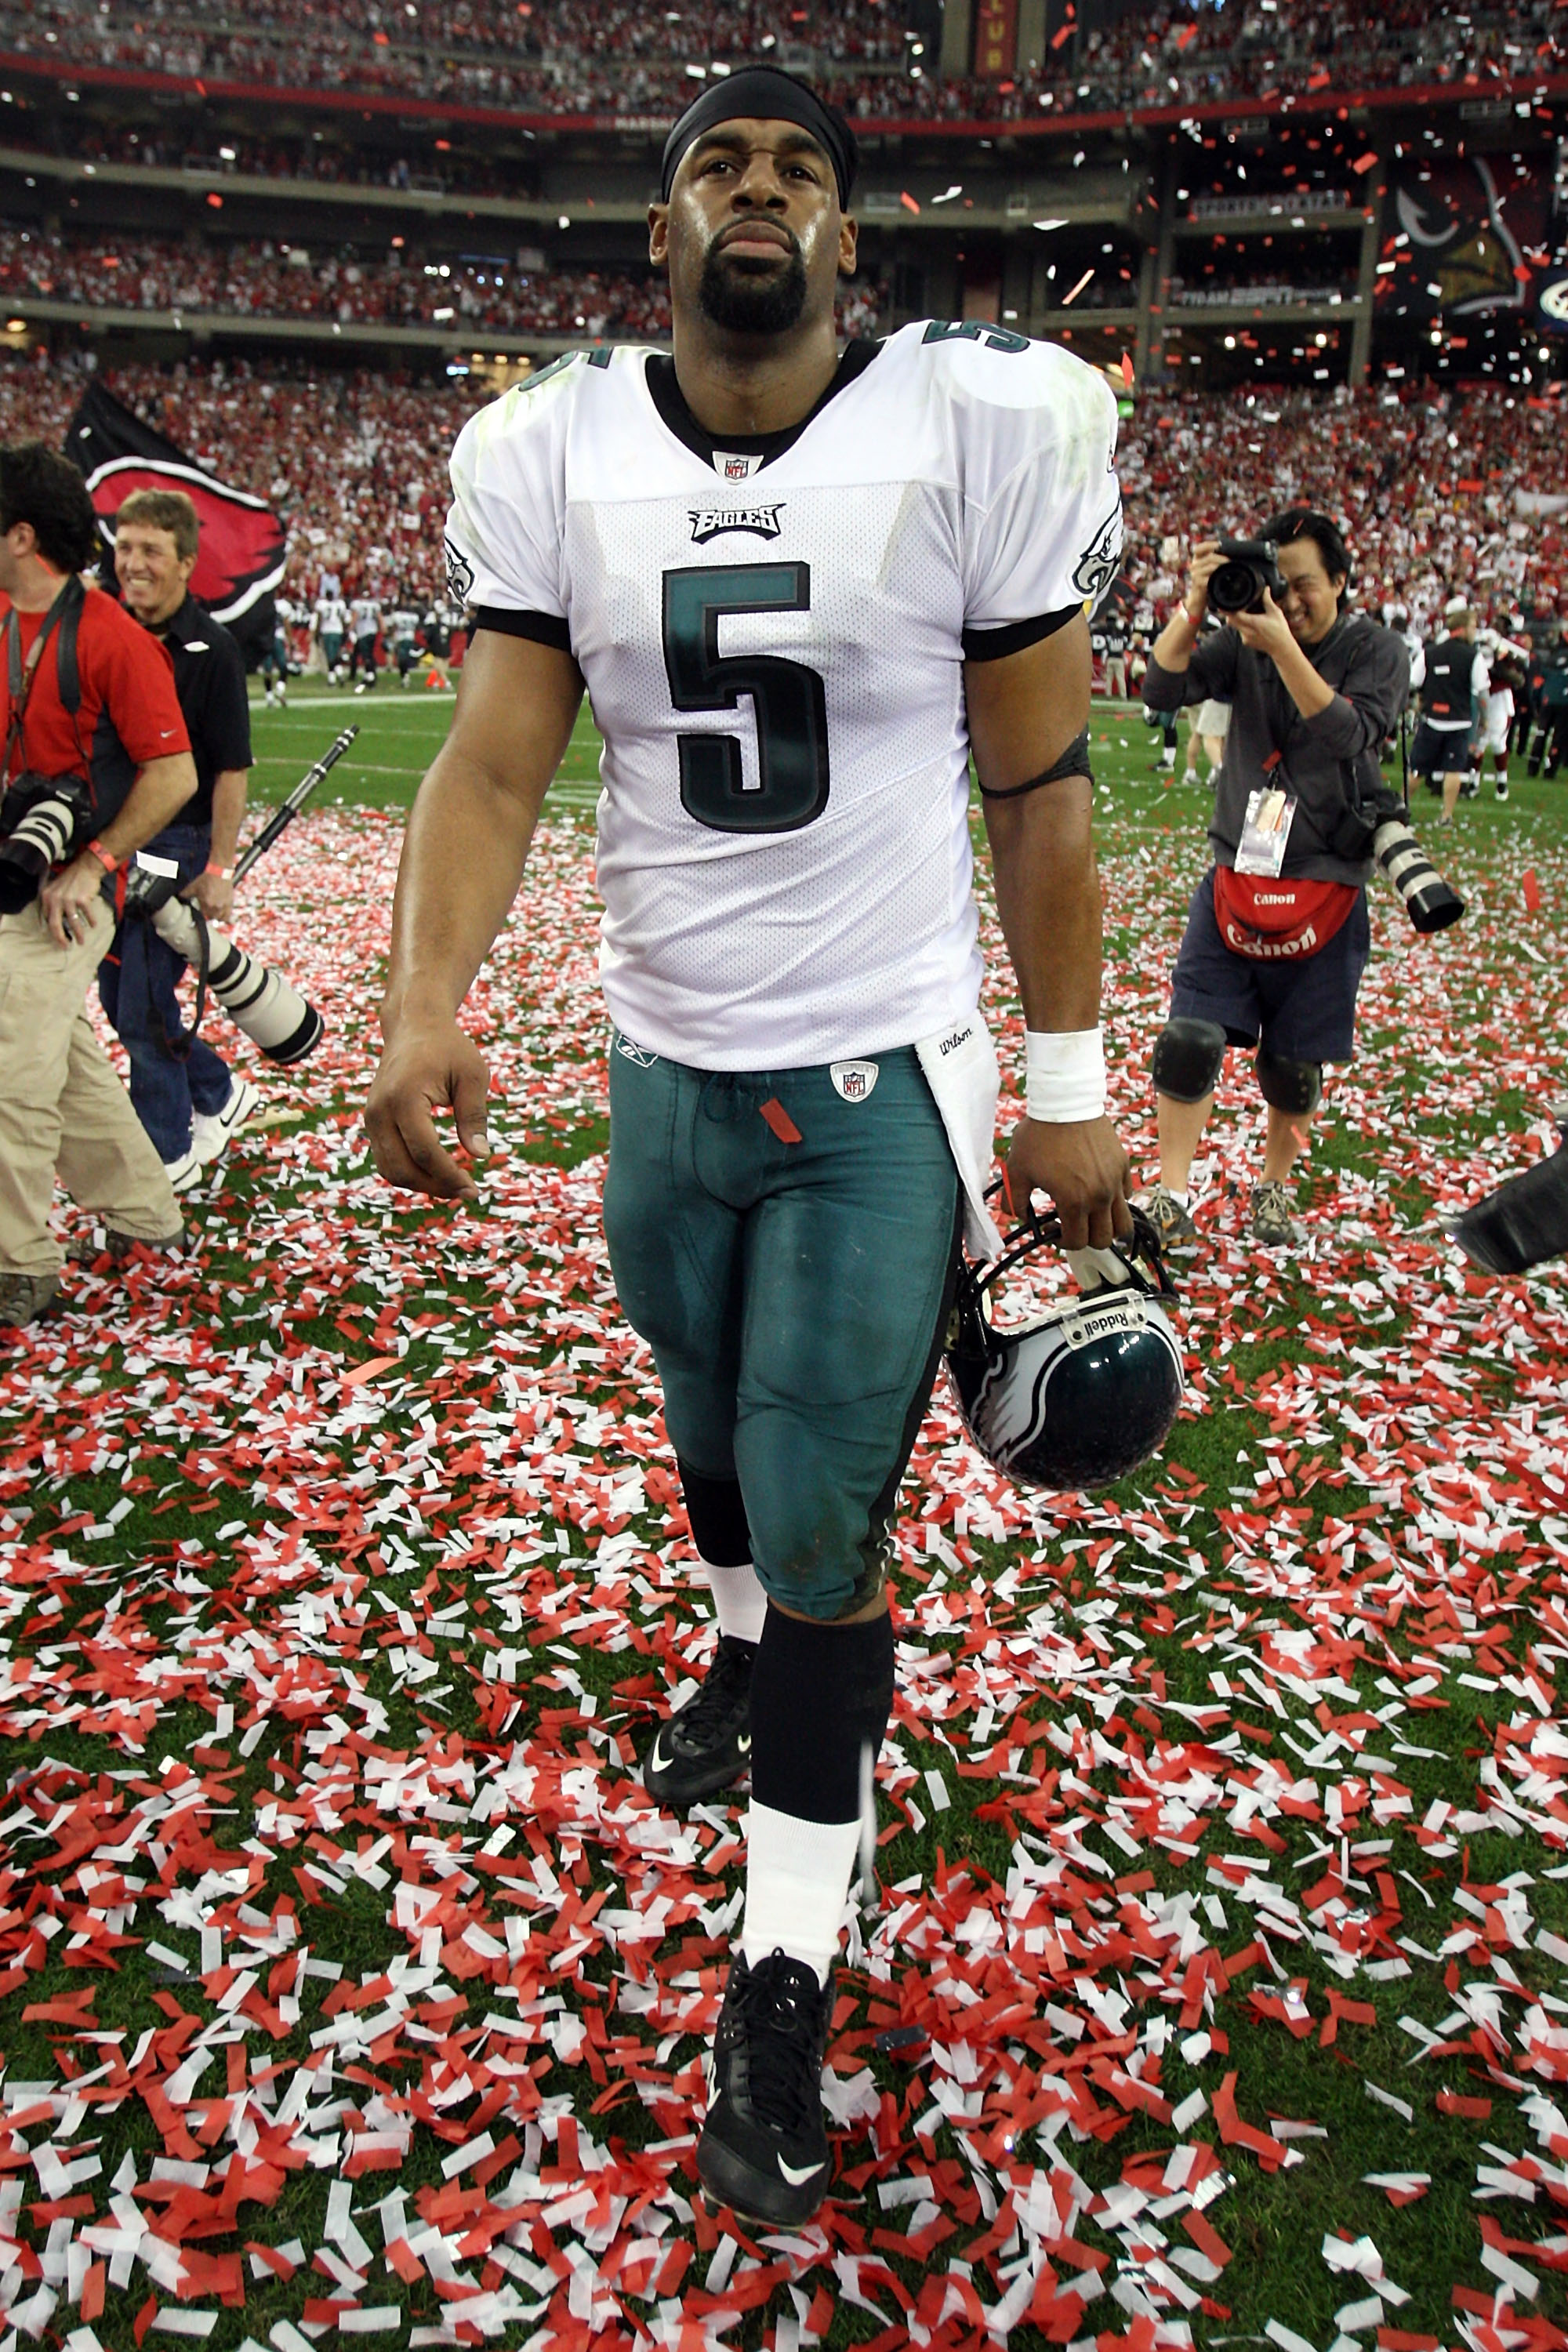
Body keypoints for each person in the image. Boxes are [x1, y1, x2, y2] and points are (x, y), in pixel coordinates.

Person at [365, 65, 1131, 2229]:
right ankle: (733, 1669)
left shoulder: (970, 428)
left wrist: (1068, 1084)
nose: (761, 194)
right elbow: (495, 765)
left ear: (853, 240)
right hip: (661, 1060)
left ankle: (781, 1971)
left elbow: (1044, 786)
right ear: (663, 231)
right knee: (703, 1417)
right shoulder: (553, 447)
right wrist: (427, 1010)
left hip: (874, 1077)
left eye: (802, 169)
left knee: (819, 1513)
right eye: (721, 165)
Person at [1139, 510, 1410, 1253]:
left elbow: (1351, 734)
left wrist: (1282, 645)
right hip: (1237, 869)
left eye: (1304, 586)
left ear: (1343, 583)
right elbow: (1161, 689)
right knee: (1190, 1038)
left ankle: (1274, 1189)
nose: (1287, 601)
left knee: (1293, 1061)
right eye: (1275, 584)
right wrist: (1196, 608)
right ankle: (1170, 1195)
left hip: (1326, 877)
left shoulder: (1378, 650)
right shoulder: (1243, 643)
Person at [0, 444, 196, 1326]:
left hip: (73, 892)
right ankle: (149, 1220)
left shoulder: (112, 636)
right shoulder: (5, 620)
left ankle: (18, 1265)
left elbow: (174, 773)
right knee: (62, 1063)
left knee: (11, 1070)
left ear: (21, 535)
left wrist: (94, 862)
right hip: (14, 878)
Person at [102, 488, 259, 1192]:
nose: (131, 564)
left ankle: (165, 1153)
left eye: (149, 552)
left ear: (187, 564)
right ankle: (219, 1091)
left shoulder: (212, 650)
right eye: (124, 547)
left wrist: (219, 864)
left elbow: (229, 771)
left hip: (177, 839)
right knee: (117, 993)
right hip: (108, 840)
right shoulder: (102, 629)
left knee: (140, 1002)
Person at [1409, 598, 1487, 824]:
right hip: (1460, 721)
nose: (1475, 631)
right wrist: (1485, 720)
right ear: (1462, 628)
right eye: (1473, 626)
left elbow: (1413, 683)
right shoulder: (1474, 656)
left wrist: (1417, 707)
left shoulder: (1430, 652)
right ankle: (1446, 815)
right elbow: (1482, 694)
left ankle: (1402, 809)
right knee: (1454, 770)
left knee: (1417, 769)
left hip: (1432, 718)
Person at [349, 587, 381, 692]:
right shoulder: (374, 605)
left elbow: (355, 617)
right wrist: (383, 628)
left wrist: (350, 629)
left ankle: (371, 677)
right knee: (366, 655)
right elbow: (379, 617)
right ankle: (368, 675)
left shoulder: (357, 604)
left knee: (366, 656)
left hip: (363, 633)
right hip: (373, 631)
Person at [314, 585, 348, 684]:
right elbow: (343, 619)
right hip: (338, 631)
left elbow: (319, 619)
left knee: (330, 656)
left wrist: (317, 632)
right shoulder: (340, 604)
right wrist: (345, 630)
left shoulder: (322, 604)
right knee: (336, 655)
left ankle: (332, 678)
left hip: (327, 631)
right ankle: (339, 674)